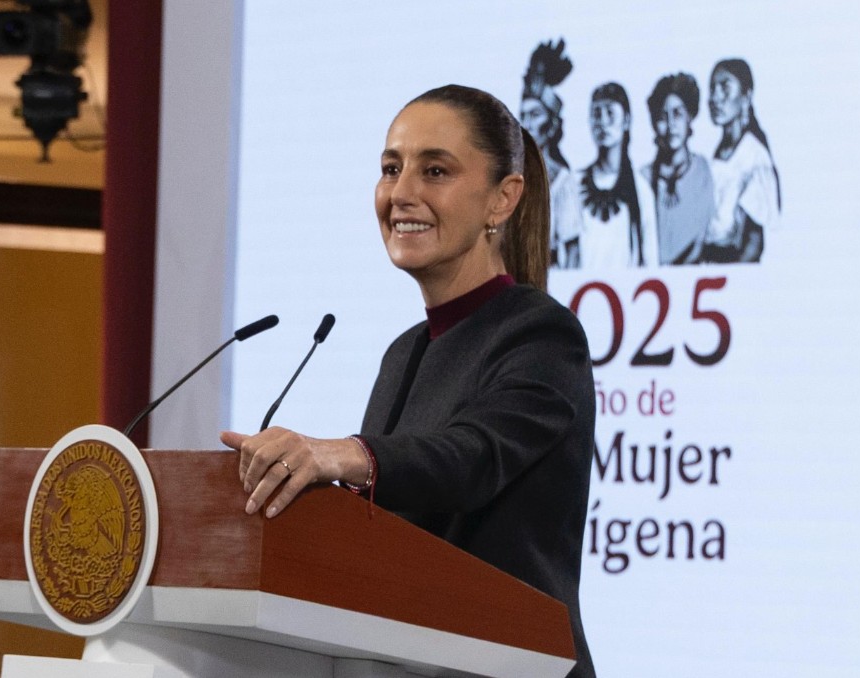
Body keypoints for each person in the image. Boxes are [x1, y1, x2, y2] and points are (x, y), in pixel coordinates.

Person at [221, 84, 597, 677]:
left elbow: (473, 457)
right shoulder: (403, 353)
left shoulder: (542, 335)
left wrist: (345, 455)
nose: (401, 193)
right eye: (391, 168)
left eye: (435, 170)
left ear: (503, 199)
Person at [704, 58, 781, 263]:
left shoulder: (754, 157)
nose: (715, 98)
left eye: (725, 88)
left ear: (746, 97)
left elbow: (753, 245)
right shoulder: (717, 155)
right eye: (712, 89)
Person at [576, 82, 658, 268]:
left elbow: (650, 261)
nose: (603, 122)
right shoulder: (574, 184)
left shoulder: (641, 190)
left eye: (610, 114)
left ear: (626, 120)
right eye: (597, 114)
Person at [519, 39, 585, 269]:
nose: (527, 123)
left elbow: (573, 252)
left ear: (552, 124)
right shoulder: (508, 175)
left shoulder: (561, 181)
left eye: (535, 114)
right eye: (523, 115)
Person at [642, 72, 715, 265]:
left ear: (689, 118)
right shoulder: (643, 178)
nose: (671, 125)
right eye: (662, 117)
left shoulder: (705, 171)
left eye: (677, 114)